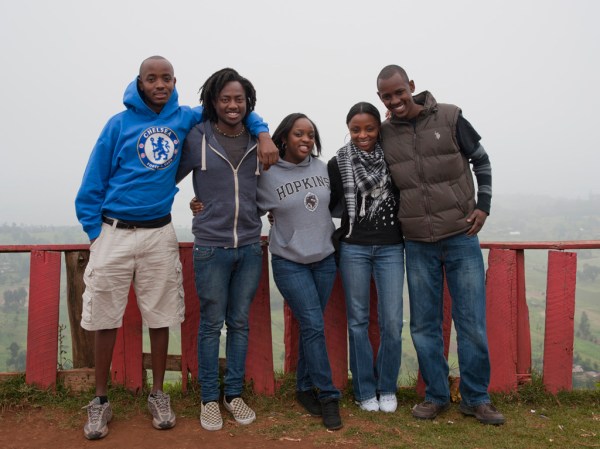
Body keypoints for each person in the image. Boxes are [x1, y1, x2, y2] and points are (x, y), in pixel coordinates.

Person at [75, 56, 276, 441]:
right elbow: (93, 180)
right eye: (152, 79)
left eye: (166, 78)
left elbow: (234, 107)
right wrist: (95, 233)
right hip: (113, 230)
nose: (159, 84)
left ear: (175, 81)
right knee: (104, 316)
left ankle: (158, 395)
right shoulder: (118, 125)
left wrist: (263, 131)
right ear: (139, 82)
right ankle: (100, 400)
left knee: (161, 312)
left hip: (159, 231)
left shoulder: (185, 119)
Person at [375, 64, 505, 425]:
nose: (395, 100)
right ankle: (436, 395)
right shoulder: (385, 134)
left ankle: (477, 398)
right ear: (381, 99)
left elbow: (481, 161)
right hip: (416, 242)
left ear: (411, 86)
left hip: (461, 236)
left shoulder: (450, 117)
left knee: (471, 323)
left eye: (399, 91)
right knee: (424, 325)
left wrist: (484, 206)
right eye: (387, 96)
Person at [176, 67, 271, 432]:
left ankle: (233, 394)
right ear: (213, 102)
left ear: (249, 103)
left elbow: (271, 184)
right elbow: (169, 177)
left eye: (239, 99)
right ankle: (209, 399)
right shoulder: (198, 137)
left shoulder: (257, 139)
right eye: (225, 99)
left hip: (249, 246)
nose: (233, 105)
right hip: (211, 248)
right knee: (212, 325)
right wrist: (196, 204)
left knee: (240, 323)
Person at [257, 113, 343, 430]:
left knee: (312, 328)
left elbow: (336, 204)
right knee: (313, 325)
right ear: (284, 137)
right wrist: (201, 205)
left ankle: (304, 388)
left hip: (324, 259)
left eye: (310, 134)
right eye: (298, 134)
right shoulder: (266, 173)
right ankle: (329, 396)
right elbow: (246, 206)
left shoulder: (322, 168)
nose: (305, 139)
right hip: (289, 261)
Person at [328, 102, 404, 413]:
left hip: (390, 248)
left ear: (379, 128)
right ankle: (364, 390)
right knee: (357, 321)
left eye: (369, 128)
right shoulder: (338, 163)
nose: (363, 135)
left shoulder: (394, 159)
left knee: (392, 321)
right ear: (348, 130)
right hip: (353, 248)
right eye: (356, 129)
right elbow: (324, 202)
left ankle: (387, 387)